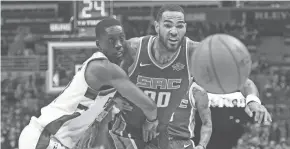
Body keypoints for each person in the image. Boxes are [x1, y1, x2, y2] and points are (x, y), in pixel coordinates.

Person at [108, 4, 272, 149]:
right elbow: (100, 73)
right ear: (157, 26)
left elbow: (241, 81)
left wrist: (253, 101)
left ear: (185, 28)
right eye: (168, 25)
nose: (174, 31)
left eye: (179, 26)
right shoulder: (134, 48)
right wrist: (113, 98)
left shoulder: (196, 53)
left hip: (164, 136)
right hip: (129, 132)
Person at [18, 18, 158, 149]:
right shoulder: (104, 68)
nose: (119, 45)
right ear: (98, 44)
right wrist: (152, 121)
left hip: (48, 139)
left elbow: (92, 102)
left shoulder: (105, 75)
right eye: (111, 40)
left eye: (121, 38)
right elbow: (149, 106)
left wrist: (113, 102)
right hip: (44, 137)